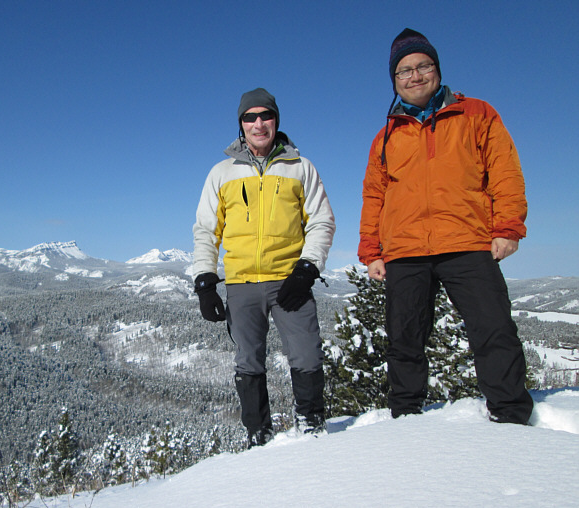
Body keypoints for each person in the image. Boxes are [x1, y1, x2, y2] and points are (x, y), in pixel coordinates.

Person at [359, 28, 533, 424]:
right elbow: (374, 196)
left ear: (437, 70)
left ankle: (510, 415)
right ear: (394, 80)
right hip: (404, 250)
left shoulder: (476, 113)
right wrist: (371, 250)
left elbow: (504, 171)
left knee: (493, 329)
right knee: (404, 339)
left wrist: (508, 226)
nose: (415, 75)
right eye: (405, 70)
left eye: (423, 65)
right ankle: (405, 417)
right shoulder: (385, 136)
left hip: (467, 240)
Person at [193, 88, 336, 447]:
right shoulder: (221, 172)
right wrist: (205, 281)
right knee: (248, 361)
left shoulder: (301, 168)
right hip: (241, 283)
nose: (259, 123)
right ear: (241, 125)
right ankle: (258, 437)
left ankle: (312, 428)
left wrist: (307, 269)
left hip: (291, 280)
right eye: (250, 117)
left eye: (265, 116)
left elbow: (321, 221)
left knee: (306, 353)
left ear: (276, 121)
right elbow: (207, 229)